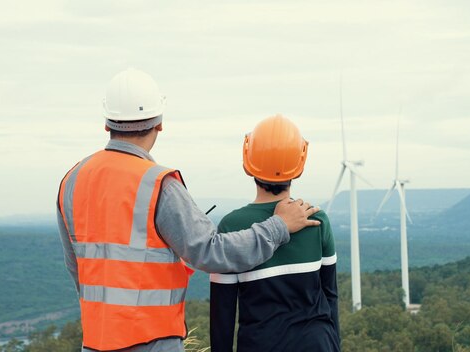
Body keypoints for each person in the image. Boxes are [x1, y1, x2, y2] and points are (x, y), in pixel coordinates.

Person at [56, 69, 321, 352]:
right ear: (159, 123)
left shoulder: (72, 180)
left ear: (107, 124)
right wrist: (279, 226)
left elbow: (79, 267)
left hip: (96, 343)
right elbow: (213, 252)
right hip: (153, 342)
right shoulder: (158, 185)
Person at [209, 115, 340, 352]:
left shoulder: (231, 227)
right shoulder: (316, 219)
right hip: (319, 344)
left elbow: (223, 315)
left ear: (247, 163)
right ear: (299, 166)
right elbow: (330, 296)